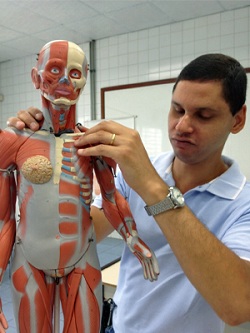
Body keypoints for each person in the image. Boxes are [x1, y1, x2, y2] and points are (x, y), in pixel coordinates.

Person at [7, 53, 250, 333]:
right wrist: (44, 156)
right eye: (177, 110)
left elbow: (237, 305)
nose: (182, 126)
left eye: (204, 115)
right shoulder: (132, 174)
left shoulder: (242, 204)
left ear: (237, 120)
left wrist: (151, 185)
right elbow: (85, 232)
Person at [0, 40, 159, 333]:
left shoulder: (93, 143)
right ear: (36, 78)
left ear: (85, 78)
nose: (63, 80)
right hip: (29, 258)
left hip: (82, 257)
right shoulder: (14, 140)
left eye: (74, 73)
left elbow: (110, 198)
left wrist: (131, 237)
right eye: (54, 70)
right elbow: (4, 220)